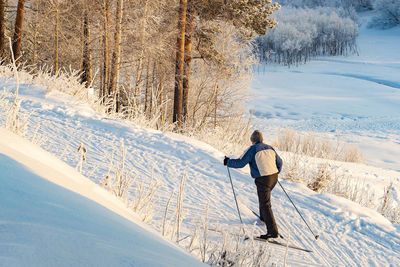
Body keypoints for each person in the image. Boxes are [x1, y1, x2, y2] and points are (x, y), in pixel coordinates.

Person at [224, 130, 283, 239]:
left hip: (263, 179)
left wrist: (228, 162)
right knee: (264, 199)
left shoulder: (252, 149)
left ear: (252, 140)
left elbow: (240, 163)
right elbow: (280, 162)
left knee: (265, 203)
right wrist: (275, 172)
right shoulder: (270, 148)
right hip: (274, 177)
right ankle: (264, 218)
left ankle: (273, 232)